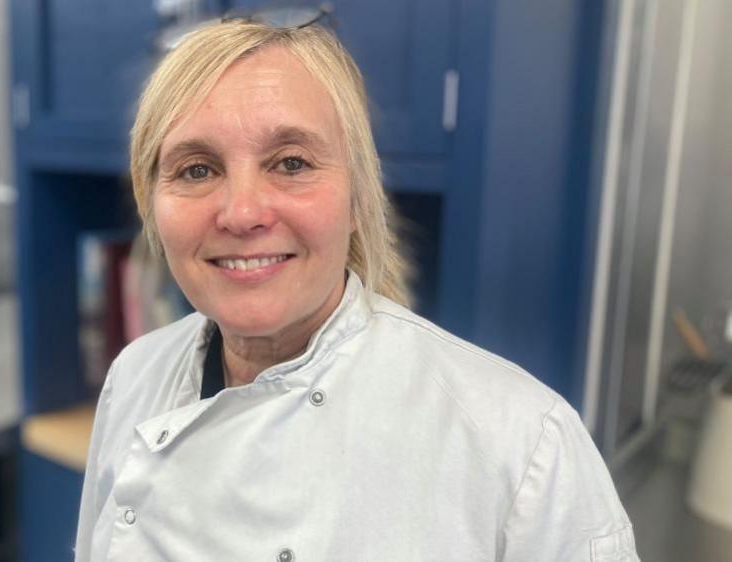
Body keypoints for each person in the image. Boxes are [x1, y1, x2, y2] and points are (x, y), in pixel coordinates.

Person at [75, 18, 638, 562]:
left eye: (291, 162)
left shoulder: (523, 446)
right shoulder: (135, 376)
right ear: (154, 207)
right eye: (197, 170)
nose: (242, 212)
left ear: (357, 201)